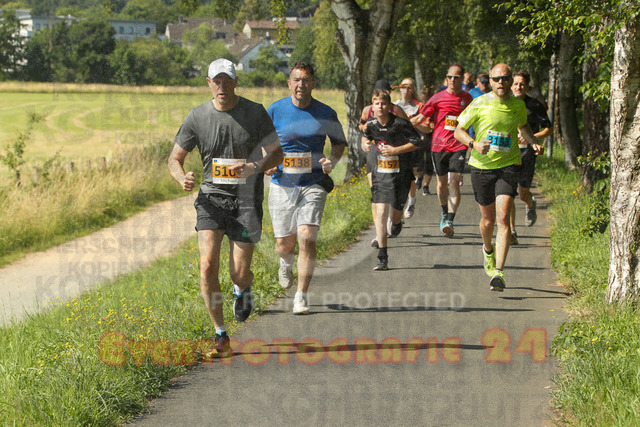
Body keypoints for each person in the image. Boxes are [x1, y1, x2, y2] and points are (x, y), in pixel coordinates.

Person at [168, 58, 283, 356]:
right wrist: (182, 177)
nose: (222, 86)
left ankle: (242, 289)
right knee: (207, 265)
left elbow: (276, 154)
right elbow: (174, 158)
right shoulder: (197, 116)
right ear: (208, 83)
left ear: (235, 82)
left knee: (238, 273)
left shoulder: (254, 113)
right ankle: (220, 334)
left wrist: (254, 167)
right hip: (211, 198)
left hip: (246, 201)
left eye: (227, 80)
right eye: (216, 81)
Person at [267, 62, 347, 315]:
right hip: (282, 183)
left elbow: (339, 143)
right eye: (296, 80)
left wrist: (331, 161)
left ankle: (301, 295)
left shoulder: (326, 112)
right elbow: (261, 143)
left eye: (306, 80)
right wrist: (266, 163)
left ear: (313, 83)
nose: (301, 84)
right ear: (289, 83)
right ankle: (285, 262)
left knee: (307, 237)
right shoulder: (275, 110)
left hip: (313, 182)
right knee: (284, 244)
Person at [453, 63, 540, 292]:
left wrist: (533, 142)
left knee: (503, 219)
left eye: (505, 78)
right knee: (488, 221)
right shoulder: (479, 103)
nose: (501, 82)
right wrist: (473, 144)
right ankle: (487, 249)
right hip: (482, 167)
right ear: (490, 81)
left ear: (510, 81)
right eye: (496, 79)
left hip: (509, 166)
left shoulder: (518, 105)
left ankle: (499, 272)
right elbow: (458, 131)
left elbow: (523, 126)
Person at [363, 90, 421, 270]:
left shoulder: (400, 123)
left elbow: (417, 141)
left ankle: (396, 223)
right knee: (381, 212)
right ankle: (382, 257)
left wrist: (396, 150)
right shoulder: (371, 125)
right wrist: (364, 143)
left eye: (383, 103)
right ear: (372, 106)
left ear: (389, 106)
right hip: (381, 175)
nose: (380, 107)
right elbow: (366, 137)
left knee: (395, 216)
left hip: (401, 174)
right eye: (377, 104)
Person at [415, 64, 473, 236]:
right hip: (439, 145)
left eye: (456, 77)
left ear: (462, 79)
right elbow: (420, 118)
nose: (452, 80)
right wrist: (401, 123)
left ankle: (450, 220)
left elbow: (476, 119)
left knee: (454, 181)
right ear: (446, 78)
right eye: (450, 77)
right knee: (441, 184)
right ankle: (444, 212)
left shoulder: (467, 98)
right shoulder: (437, 98)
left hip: (459, 145)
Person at [358, 79, 409, 243]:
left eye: (386, 95)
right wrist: (365, 135)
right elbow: (361, 124)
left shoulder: (397, 110)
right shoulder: (367, 110)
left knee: (393, 196)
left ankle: (394, 219)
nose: (382, 102)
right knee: (376, 192)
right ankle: (379, 233)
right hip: (374, 153)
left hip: (392, 154)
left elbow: (408, 130)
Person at [509, 71, 550, 244]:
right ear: (511, 86)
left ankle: (530, 203)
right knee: (508, 193)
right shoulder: (505, 104)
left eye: (522, 84)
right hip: (508, 154)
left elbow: (548, 128)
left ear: (527, 86)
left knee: (522, 192)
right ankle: (511, 231)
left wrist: (532, 138)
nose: (518, 87)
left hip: (527, 153)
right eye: (516, 84)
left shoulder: (535, 105)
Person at [393, 77, 427, 219]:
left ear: (413, 90)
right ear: (399, 88)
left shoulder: (419, 106)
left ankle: (411, 200)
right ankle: (397, 209)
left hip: (413, 145)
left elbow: (427, 127)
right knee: (396, 177)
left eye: (409, 87)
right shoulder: (394, 105)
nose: (406, 90)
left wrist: (410, 122)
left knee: (409, 177)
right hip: (397, 145)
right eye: (403, 87)